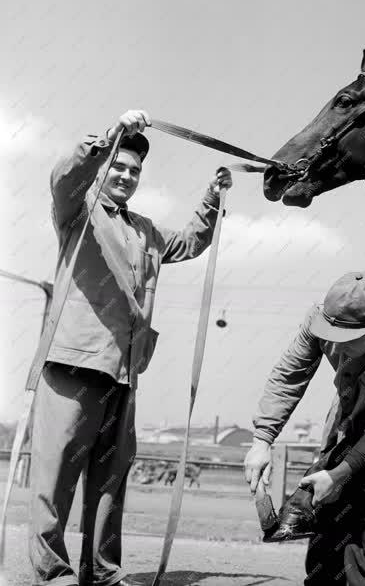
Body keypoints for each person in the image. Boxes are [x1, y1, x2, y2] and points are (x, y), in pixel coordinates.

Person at [29, 109, 233, 586]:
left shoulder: (144, 230)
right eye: (118, 166)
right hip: (74, 363)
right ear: (103, 168)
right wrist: (110, 136)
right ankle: (52, 575)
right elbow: (65, 176)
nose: (125, 175)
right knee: (55, 477)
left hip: (124, 369)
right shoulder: (76, 212)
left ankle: (101, 573)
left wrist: (213, 196)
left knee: (111, 478)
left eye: (134, 170)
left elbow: (188, 243)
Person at [244, 271, 365, 586]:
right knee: (327, 493)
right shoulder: (321, 317)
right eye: (329, 333)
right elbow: (290, 373)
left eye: (347, 340)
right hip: (346, 409)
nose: (333, 343)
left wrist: (341, 473)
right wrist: (262, 440)